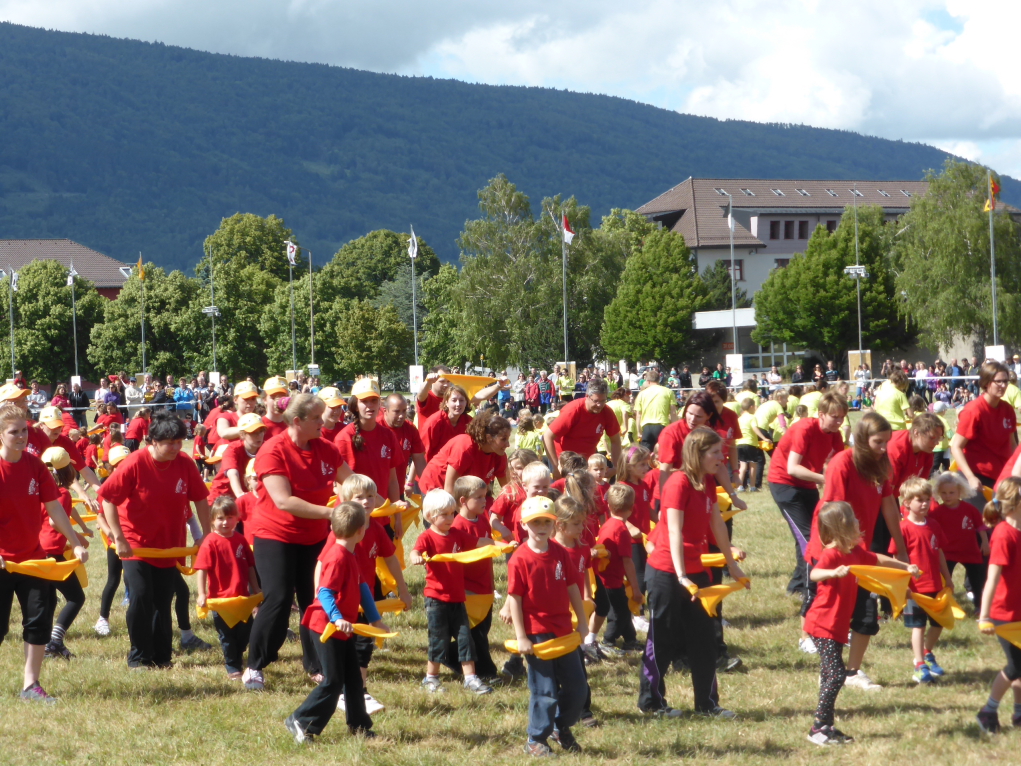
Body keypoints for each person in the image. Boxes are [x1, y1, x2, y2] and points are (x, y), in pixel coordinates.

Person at [244, 393, 352, 691]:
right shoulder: (272, 450)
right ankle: (255, 665)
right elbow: (284, 501)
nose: (323, 421)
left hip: (314, 537)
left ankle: (316, 665)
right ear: (296, 421)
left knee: (315, 600)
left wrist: (381, 502)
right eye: (316, 418)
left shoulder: (326, 448)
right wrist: (332, 513)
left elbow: (352, 481)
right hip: (274, 535)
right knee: (278, 598)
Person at [638, 426, 745, 718]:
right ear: (698, 453)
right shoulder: (678, 482)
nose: (722, 457)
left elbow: (716, 524)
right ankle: (652, 703)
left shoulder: (706, 481)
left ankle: (707, 704)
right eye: (715, 452)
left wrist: (732, 564)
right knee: (662, 638)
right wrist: (681, 576)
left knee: (704, 638)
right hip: (666, 571)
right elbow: (673, 530)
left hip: (695, 570)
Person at [802, 412, 908, 685]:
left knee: (866, 612)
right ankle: (831, 671)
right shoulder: (843, 463)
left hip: (859, 549)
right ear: (862, 439)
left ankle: (851, 672)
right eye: (877, 442)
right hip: (835, 549)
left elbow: (889, 505)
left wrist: (900, 547)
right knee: (834, 614)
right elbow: (832, 511)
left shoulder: (881, 464)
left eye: (886, 442)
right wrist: (845, 551)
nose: (883, 448)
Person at [99, 411, 210, 668]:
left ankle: (162, 656)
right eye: (170, 443)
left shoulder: (184, 463)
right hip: (135, 543)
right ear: (153, 441)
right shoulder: (135, 462)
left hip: (168, 544)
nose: (176, 448)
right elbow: (108, 500)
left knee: (163, 599)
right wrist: (119, 538)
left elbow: (200, 499)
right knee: (141, 596)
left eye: (179, 442)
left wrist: (205, 535)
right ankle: (139, 657)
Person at [803, 501, 918, 746]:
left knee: (831, 675)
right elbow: (814, 573)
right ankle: (817, 729)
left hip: (837, 626)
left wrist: (905, 566)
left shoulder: (855, 551)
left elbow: (877, 559)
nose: (858, 521)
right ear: (842, 525)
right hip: (822, 625)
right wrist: (832, 573)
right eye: (854, 518)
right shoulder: (832, 553)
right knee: (836, 675)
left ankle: (826, 727)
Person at [0, 403, 88, 702]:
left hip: (34, 558)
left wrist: (75, 541)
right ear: (1, 435)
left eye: (24, 431)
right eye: (14, 432)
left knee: (38, 620)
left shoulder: (35, 466)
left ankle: (31, 685)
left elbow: (55, 508)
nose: (21, 437)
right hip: (2, 561)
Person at [286, 502, 380, 744]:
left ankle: (359, 726)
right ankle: (301, 720)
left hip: (340, 628)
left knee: (353, 678)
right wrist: (337, 618)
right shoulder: (337, 557)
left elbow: (361, 586)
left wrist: (376, 619)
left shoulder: (350, 553)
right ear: (361, 530)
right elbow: (324, 591)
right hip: (325, 627)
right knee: (333, 681)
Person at [505, 495, 589, 756]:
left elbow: (573, 587)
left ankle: (559, 726)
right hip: (536, 633)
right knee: (545, 690)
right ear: (524, 524)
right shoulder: (519, 559)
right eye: (535, 522)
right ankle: (536, 739)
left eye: (546, 522)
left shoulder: (560, 552)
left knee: (578, 688)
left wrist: (583, 622)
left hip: (564, 631)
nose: (541, 527)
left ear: (554, 523)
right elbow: (515, 599)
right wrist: (521, 637)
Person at [409, 489, 495, 695]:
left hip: (458, 598)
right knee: (438, 639)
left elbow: (479, 542)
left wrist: (501, 545)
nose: (450, 518)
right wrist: (416, 557)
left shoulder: (457, 535)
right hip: (436, 600)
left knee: (465, 638)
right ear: (430, 516)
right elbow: (415, 551)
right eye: (444, 514)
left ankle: (470, 678)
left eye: (452, 513)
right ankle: (431, 678)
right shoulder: (427, 537)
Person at [767, 391, 847, 600]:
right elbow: (792, 468)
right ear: (821, 414)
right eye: (835, 417)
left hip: (807, 484)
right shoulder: (805, 428)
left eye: (842, 417)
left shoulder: (835, 435)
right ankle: (808, 590)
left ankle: (796, 585)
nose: (839, 422)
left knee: (816, 534)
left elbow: (839, 464)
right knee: (808, 538)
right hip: (784, 483)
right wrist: (825, 479)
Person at [194, 495, 262, 680]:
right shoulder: (210, 542)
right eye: (220, 518)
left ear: (237, 518)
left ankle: (238, 655)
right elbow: (202, 569)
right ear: (212, 520)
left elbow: (250, 566)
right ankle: (232, 666)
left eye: (230, 517)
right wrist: (202, 593)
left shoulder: (240, 540)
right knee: (227, 635)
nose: (225, 522)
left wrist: (256, 588)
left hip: (242, 598)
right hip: (221, 601)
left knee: (245, 632)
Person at [893, 477, 952, 684]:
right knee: (918, 626)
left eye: (928, 499)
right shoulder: (902, 528)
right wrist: (903, 584)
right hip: (915, 589)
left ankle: (927, 652)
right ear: (907, 502)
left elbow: (939, 552)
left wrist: (948, 578)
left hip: (936, 585)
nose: (925, 503)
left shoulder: (933, 525)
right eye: (919, 499)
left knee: (939, 623)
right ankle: (919, 665)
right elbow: (896, 557)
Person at [976, 477, 1021, 734]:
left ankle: (1019, 712)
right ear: (1015, 502)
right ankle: (988, 711)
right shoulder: (1004, 534)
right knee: (1016, 666)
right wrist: (984, 616)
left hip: (1020, 610)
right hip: (1004, 613)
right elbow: (992, 579)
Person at [38, 446, 92, 660]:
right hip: (52, 553)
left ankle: (45, 644)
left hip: (37, 551)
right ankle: (54, 642)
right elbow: (55, 521)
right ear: (69, 471)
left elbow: (64, 512)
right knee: (76, 597)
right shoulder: (61, 493)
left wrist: (81, 530)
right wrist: (77, 539)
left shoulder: (40, 491)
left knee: (49, 600)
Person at [334, 379, 405, 540]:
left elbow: (392, 481)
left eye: (374, 400)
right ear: (355, 405)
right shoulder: (345, 437)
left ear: (380, 403)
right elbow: (342, 487)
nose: (370, 405)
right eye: (364, 401)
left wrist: (397, 517)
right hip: (355, 519)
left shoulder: (387, 435)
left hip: (382, 516)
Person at [448, 475, 499, 681]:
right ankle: (487, 672)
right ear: (463, 501)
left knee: (483, 629)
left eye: (485, 496)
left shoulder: (483, 519)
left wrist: (492, 583)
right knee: (475, 633)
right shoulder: (457, 526)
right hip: (468, 589)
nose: (484, 501)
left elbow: (488, 554)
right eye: (478, 497)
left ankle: (451, 656)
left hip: (485, 587)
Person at [952, 361, 1018, 497]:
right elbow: (956, 447)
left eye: (1005, 381)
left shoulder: (1007, 409)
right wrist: (970, 477)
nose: (1003, 385)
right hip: (977, 477)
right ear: (987, 383)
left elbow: (1012, 445)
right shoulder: (973, 410)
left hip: (1002, 477)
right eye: (998, 381)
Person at [591, 484, 643, 654]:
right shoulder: (622, 530)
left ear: (609, 505)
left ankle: (630, 640)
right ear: (632, 507)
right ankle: (608, 641)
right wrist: (636, 589)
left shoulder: (607, 524)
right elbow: (628, 561)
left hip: (604, 576)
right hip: (612, 580)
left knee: (623, 609)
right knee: (620, 613)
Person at [419, 411, 510, 498]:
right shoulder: (465, 447)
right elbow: (449, 490)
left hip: (462, 492)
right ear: (489, 438)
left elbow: (508, 489)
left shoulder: (499, 454)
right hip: (436, 487)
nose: (508, 444)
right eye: (503, 439)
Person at [931, 472, 988, 607]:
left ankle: (980, 606)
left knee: (977, 581)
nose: (948, 496)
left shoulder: (970, 509)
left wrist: (985, 542)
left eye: (952, 492)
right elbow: (931, 531)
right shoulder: (937, 512)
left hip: (969, 550)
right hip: (947, 553)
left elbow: (980, 526)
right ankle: (943, 605)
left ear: (960, 492)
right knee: (944, 581)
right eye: (944, 493)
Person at [544, 379, 622, 477]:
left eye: (603, 401)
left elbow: (615, 441)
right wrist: (556, 467)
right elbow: (547, 436)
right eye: (596, 401)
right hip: (565, 462)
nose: (599, 405)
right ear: (587, 396)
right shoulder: (573, 410)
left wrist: (615, 467)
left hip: (586, 463)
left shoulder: (607, 412)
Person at [93, 444, 131, 637]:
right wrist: (113, 535)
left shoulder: (138, 484)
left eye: (126, 463)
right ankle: (102, 618)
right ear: (110, 468)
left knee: (134, 581)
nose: (122, 468)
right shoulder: (108, 488)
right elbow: (100, 516)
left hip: (137, 543)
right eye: (118, 465)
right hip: (116, 543)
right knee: (113, 579)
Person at [206, 413, 266, 503]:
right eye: (253, 432)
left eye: (261, 431)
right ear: (242, 435)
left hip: (247, 497)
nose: (259, 435)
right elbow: (233, 473)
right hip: (222, 497)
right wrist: (239, 494)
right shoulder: (233, 448)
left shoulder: (266, 448)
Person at [378, 393, 426, 495]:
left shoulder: (410, 429)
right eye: (396, 411)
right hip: (376, 493)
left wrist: (429, 486)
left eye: (404, 411)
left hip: (397, 490)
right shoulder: (376, 427)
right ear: (385, 410)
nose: (401, 415)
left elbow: (419, 460)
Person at [420, 385, 472, 462]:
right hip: (434, 466)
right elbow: (422, 454)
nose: (458, 404)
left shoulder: (470, 423)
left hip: (457, 466)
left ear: (466, 403)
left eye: (461, 400)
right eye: (454, 400)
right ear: (446, 402)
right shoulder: (434, 422)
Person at [633, 369, 676, 452]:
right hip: (662, 425)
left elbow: (638, 414)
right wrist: (674, 429)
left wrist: (639, 431)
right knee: (662, 453)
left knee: (646, 454)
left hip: (646, 426)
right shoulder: (668, 391)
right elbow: (673, 412)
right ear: (658, 380)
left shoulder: (641, 394)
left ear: (648, 381)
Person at [736, 398, 767, 492]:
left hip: (739, 444)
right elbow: (755, 428)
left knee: (743, 466)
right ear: (751, 407)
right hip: (750, 444)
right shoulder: (752, 417)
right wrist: (764, 438)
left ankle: (740, 486)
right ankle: (753, 487)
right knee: (753, 465)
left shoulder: (739, 418)